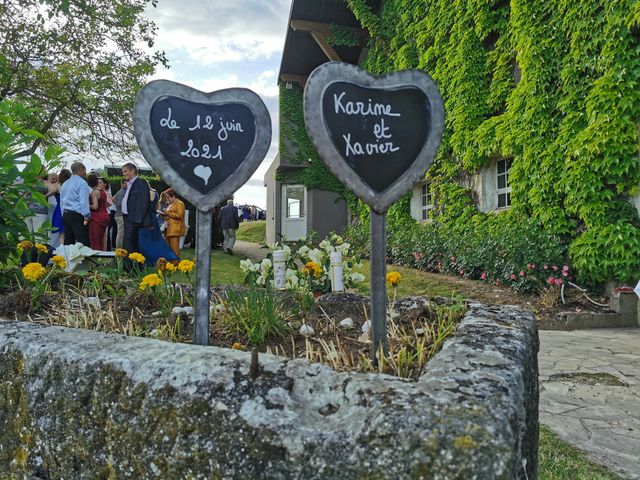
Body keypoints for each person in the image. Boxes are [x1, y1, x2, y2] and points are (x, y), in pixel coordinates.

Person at [138, 184, 178, 265]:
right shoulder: (155, 194)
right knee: (155, 240)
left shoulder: (141, 193)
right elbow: (157, 209)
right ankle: (161, 257)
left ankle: (145, 260)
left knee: (142, 240)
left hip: (144, 219)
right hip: (153, 219)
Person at [121, 163, 152, 258]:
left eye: (125, 171)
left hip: (133, 219)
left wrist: (136, 219)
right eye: (123, 172)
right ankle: (133, 267)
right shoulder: (130, 184)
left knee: (128, 244)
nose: (123, 174)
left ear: (133, 171)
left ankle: (128, 268)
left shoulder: (140, 182)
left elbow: (143, 201)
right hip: (128, 217)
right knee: (130, 243)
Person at [60, 162, 91, 246]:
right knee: (83, 240)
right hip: (77, 214)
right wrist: (86, 215)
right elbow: (83, 200)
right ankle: (85, 258)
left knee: (68, 240)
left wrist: (62, 213)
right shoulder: (82, 183)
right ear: (80, 170)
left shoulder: (65, 184)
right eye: (84, 170)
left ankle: (66, 258)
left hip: (66, 213)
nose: (85, 173)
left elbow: (62, 200)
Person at [158, 188, 186, 258]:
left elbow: (180, 215)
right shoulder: (171, 204)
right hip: (167, 229)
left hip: (175, 230)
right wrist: (163, 214)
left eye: (168, 197)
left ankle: (175, 265)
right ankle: (170, 264)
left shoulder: (180, 203)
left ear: (173, 196)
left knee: (174, 249)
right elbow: (169, 215)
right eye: (166, 197)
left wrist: (167, 213)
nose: (167, 199)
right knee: (168, 248)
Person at [87, 174, 110, 250]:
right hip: (105, 216)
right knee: (102, 240)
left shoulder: (94, 192)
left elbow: (95, 206)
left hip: (96, 218)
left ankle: (96, 259)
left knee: (95, 241)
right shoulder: (102, 192)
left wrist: (86, 205)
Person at [44, 172, 63, 248]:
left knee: (56, 230)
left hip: (56, 208)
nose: (53, 180)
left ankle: (54, 246)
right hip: (48, 208)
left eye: (55, 179)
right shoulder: (46, 184)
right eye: (52, 178)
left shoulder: (57, 186)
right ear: (48, 178)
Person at [112, 179, 127, 249]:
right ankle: (119, 251)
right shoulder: (122, 192)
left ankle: (120, 250)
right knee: (121, 234)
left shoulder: (121, 192)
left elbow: (113, 199)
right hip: (120, 215)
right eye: (125, 184)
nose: (127, 185)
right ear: (122, 184)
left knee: (122, 234)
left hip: (120, 215)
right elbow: (119, 203)